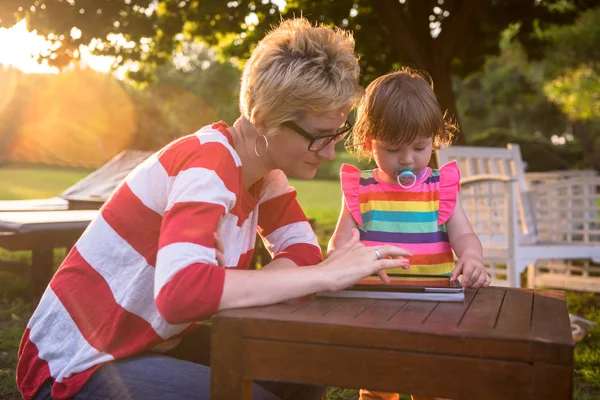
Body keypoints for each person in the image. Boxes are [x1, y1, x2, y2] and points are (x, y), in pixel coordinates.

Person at [17, 18, 412, 400]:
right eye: (319, 137)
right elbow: (181, 293)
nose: (329, 152)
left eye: (336, 134)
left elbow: (303, 251)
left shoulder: (264, 174)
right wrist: (323, 277)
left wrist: (243, 283)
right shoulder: (207, 164)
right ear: (267, 120)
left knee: (301, 362)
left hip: (154, 344)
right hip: (75, 366)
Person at [327, 68, 491, 400]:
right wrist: (340, 259)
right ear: (368, 141)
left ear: (434, 137)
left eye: (419, 147)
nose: (407, 159)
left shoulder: (439, 188)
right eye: (392, 149)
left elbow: (464, 236)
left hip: (435, 306)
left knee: (434, 381)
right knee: (378, 383)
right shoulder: (361, 190)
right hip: (376, 307)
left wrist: (472, 258)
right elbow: (340, 242)